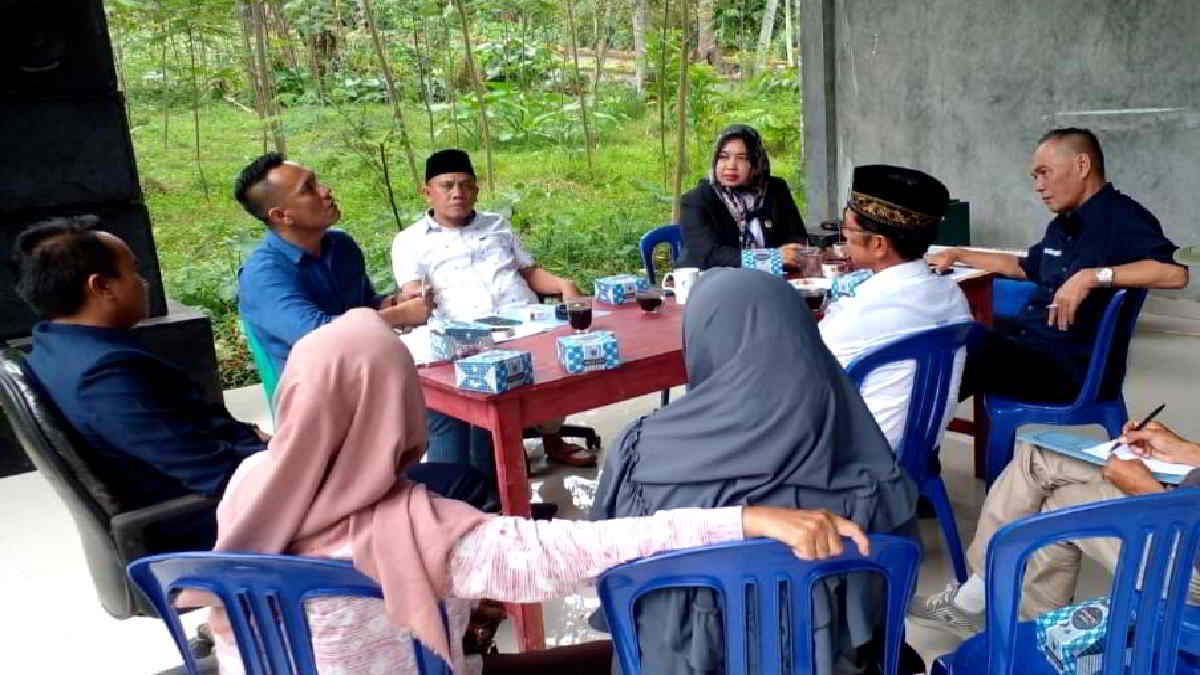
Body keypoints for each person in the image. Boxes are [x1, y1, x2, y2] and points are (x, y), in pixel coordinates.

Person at [206, 307, 873, 675]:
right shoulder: (426, 532)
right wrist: (747, 518)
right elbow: (587, 549)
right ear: (395, 411)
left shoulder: (251, 485)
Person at [591, 268, 922, 675]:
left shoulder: (640, 454)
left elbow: (608, 576)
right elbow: (892, 608)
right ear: (804, 335)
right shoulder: (870, 467)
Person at [12, 217, 264, 547]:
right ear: (101, 286)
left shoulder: (54, 345)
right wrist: (285, 458)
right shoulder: (106, 376)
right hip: (207, 526)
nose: (144, 283)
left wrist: (254, 437)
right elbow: (215, 474)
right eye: (134, 271)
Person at [929, 128, 1188, 403]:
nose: (1038, 186)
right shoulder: (1063, 223)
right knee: (947, 335)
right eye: (1035, 177)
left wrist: (1091, 277)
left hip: (1067, 370)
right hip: (1030, 345)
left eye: (1045, 173)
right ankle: (914, 419)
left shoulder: (1123, 218)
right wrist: (958, 254)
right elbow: (1021, 266)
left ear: (1082, 165)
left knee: (959, 350)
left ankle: (912, 423)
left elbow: (1175, 273)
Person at [391, 149, 595, 474]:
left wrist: (563, 284)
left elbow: (530, 272)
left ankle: (551, 439)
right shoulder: (410, 241)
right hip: (469, 338)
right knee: (488, 411)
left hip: (526, 321)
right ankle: (504, 450)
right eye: (447, 185)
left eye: (465, 185)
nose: (457, 193)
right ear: (427, 192)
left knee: (563, 367)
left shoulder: (497, 224)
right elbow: (413, 294)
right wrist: (413, 297)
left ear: (476, 190)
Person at [909, 420, 1200, 639]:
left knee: (1057, 512)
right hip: (1190, 494)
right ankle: (990, 605)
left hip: (1189, 545)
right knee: (1037, 456)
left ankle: (1012, 626)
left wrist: (1147, 491)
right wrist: (1186, 451)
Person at [235, 152, 432, 375]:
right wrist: (400, 315)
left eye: (317, 181)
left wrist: (396, 302)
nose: (325, 191)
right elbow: (319, 336)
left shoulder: (341, 245)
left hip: (368, 369)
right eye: (308, 189)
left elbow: (364, 305)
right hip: (316, 387)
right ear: (281, 216)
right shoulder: (262, 275)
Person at [819, 165, 972, 450]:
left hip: (855, 460)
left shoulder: (859, 314)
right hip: (919, 454)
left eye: (848, 228)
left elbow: (805, 379)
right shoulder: (953, 296)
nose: (844, 235)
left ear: (878, 244)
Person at [676, 124, 809, 270]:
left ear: (756, 163)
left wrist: (795, 252)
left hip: (769, 277)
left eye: (742, 158)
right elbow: (709, 256)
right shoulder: (696, 201)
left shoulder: (775, 190)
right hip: (710, 279)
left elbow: (797, 237)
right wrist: (772, 257)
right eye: (724, 157)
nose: (731, 166)